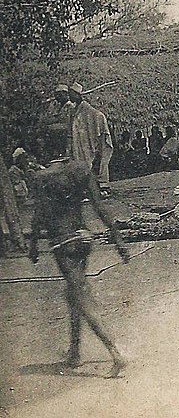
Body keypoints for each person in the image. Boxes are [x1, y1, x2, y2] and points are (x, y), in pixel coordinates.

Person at [28, 158, 129, 378]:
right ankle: (74, 352)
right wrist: (118, 241)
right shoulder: (79, 169)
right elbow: (100, 207)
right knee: (72, 294)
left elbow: (39, 215)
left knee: (81, 296)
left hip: (63, 243)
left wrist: (33, 244)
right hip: (84, 238)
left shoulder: (41, 178)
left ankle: (115, 352)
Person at [69, 83, 114, 191]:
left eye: (71, 94)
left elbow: (98, 118)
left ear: (77, 95)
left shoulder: (89, 111)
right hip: (80, 143)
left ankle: (102, 186)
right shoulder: (74, 110)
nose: (70, 97)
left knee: (94, 163)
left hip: (89, 142)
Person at [39, 84, 74, 159]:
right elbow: (48, 119)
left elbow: (67, 123)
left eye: (60, 95)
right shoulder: (56, 106)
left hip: (67, 135)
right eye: (56, 95)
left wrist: (52, 125)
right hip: (56, 136)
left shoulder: (70, 106)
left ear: (65, 94)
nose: (57, 97)